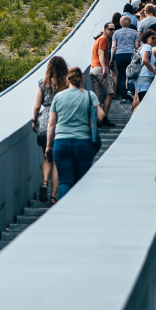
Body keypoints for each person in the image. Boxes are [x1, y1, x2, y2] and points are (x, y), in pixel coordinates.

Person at [44, 67, 104, 199]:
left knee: (65, 181)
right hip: (84, 143)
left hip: (61, 143)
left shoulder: (58, 97)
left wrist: (49, 146)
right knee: (81, 182)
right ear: (81, 80)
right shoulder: (89, 95)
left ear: (67, 80)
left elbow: (52, 123)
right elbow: (100, 116)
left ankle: (63, 213)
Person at [33, 56, 68, 204]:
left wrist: (34, 121)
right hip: (60, 123)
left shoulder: (43, 83)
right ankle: (53, 196)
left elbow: (36, 106)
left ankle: (44, 183)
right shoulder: (66, 84)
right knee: (57, 161)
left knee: (47, 157)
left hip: (44, 122)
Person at [132, 30, 156, 112]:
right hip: (145, 78)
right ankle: (134, 117)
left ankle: (132, 117)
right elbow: (145, 60)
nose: (154, 40)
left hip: (141, 77)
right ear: (146, 38)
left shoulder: (142, 47)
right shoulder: (148, 47)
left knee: (139, 100)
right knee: (143, 103)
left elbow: (147, 61)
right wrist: (154, 71)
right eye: (152, 38)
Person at [90, 23, 115, 127]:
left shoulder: (99, 39)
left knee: (97, 96)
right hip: (100, 69)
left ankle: (95, 120)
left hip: (93, 69)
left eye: (114, 29)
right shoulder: (104, 39)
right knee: (109, 93)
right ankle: (104, 118)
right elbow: (101, 54)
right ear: (105, 29)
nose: (112, 31)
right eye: (110, 29)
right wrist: (105, 68)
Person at [112, 15, 139, 102]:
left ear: (121, 22)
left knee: (122, 76)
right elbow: (136, 46)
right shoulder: (134, 32)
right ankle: (130, 91)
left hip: (119, 54)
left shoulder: (116, 33)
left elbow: (113, 46)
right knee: (131, 75)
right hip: (130, 55)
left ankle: (123, 97)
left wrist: (111, 58)